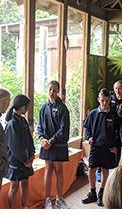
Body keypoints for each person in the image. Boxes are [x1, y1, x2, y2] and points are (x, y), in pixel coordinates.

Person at [82, 88, 120, 206]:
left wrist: (116, 146)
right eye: (102, 100)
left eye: (107, 101)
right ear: (99, 100)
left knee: (105, 171)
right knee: (91, 169)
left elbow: (119, 132)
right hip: (95, 147)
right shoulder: (93, 113)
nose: (105, 103)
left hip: (108, 148)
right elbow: (86, 126)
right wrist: (89, 137)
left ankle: (102, 193)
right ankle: (92, 192)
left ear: (110, 101)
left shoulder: (114, 116)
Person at [37, 80, 70, 209]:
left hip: (58, 144)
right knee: (48, 170)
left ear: (58, 92)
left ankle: (59, 198)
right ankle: (47, 199)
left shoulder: (63, 108)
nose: (52, 92)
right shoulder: (43, 108)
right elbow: (39, 126)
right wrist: (41, 139)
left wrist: (51, 140)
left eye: (54, 90)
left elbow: (63, 129)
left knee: (59, 171)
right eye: (50, 89)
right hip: (46, 145)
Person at [5, 94, 36, 209]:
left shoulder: (22, 120)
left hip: (26, 159)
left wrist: (32, 154)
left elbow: (29, 139)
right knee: (14, 188)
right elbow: (14, 146)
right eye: (27, 106)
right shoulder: (12, 123)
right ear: (22, 107)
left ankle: (25, 208)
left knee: (25, 184)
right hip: (16, 161)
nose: (27, 109)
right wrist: (24, 161)